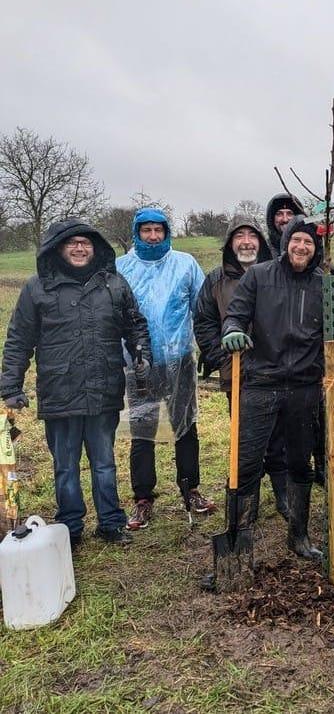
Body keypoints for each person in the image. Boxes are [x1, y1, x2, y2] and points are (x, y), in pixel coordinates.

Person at [0, 220, 151, 547]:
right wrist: (11, 386)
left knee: (104, 464)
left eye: (86, 243)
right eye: (72, 243)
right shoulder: (37, 287)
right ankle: (70, 526)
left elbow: (135, 324)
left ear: (95, 247)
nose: (80, 248)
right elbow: (18, 340)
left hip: (104, 390)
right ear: (58, 247)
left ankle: (111, 522)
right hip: (60, 392)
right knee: (65, 467)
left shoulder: (113, 284)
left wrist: (142, 354)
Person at [221, 216, 334, 560]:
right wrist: (231, 329)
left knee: (300, 463)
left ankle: (299, 536)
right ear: (285, 243)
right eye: (296, 241)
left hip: (304, 388)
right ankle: (237, 537)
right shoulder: (259, 276)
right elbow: (236, 313)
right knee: (245, 464)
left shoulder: (326, 285)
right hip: (261, 383)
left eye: (308, 242)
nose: (301, 247)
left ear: (316, 248)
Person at [117, 208, 215, 530]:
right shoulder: (122, 268)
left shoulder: (185, 264)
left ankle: (191, 490)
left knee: (185, 426)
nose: (153, 236)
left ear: (167, 231)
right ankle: (143, 498)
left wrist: (207, 349)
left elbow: (203, 309)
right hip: (139, 364)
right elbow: (113, 315)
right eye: (147, 230)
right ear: (137, 232)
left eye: (159, 230)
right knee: (142, 430)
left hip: (179, 359)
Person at [193, 214, 290, 519]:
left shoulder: (278, 275)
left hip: (277, 372)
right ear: (230, 243)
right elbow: (205, 321)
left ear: (261, 242)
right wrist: (220, 353)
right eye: (239, 237)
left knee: (279, 439)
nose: (246, 242)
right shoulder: (216, 280)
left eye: (252, 236)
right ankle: (246, 504)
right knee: (246, 441)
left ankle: (283, 496)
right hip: (239, 374)